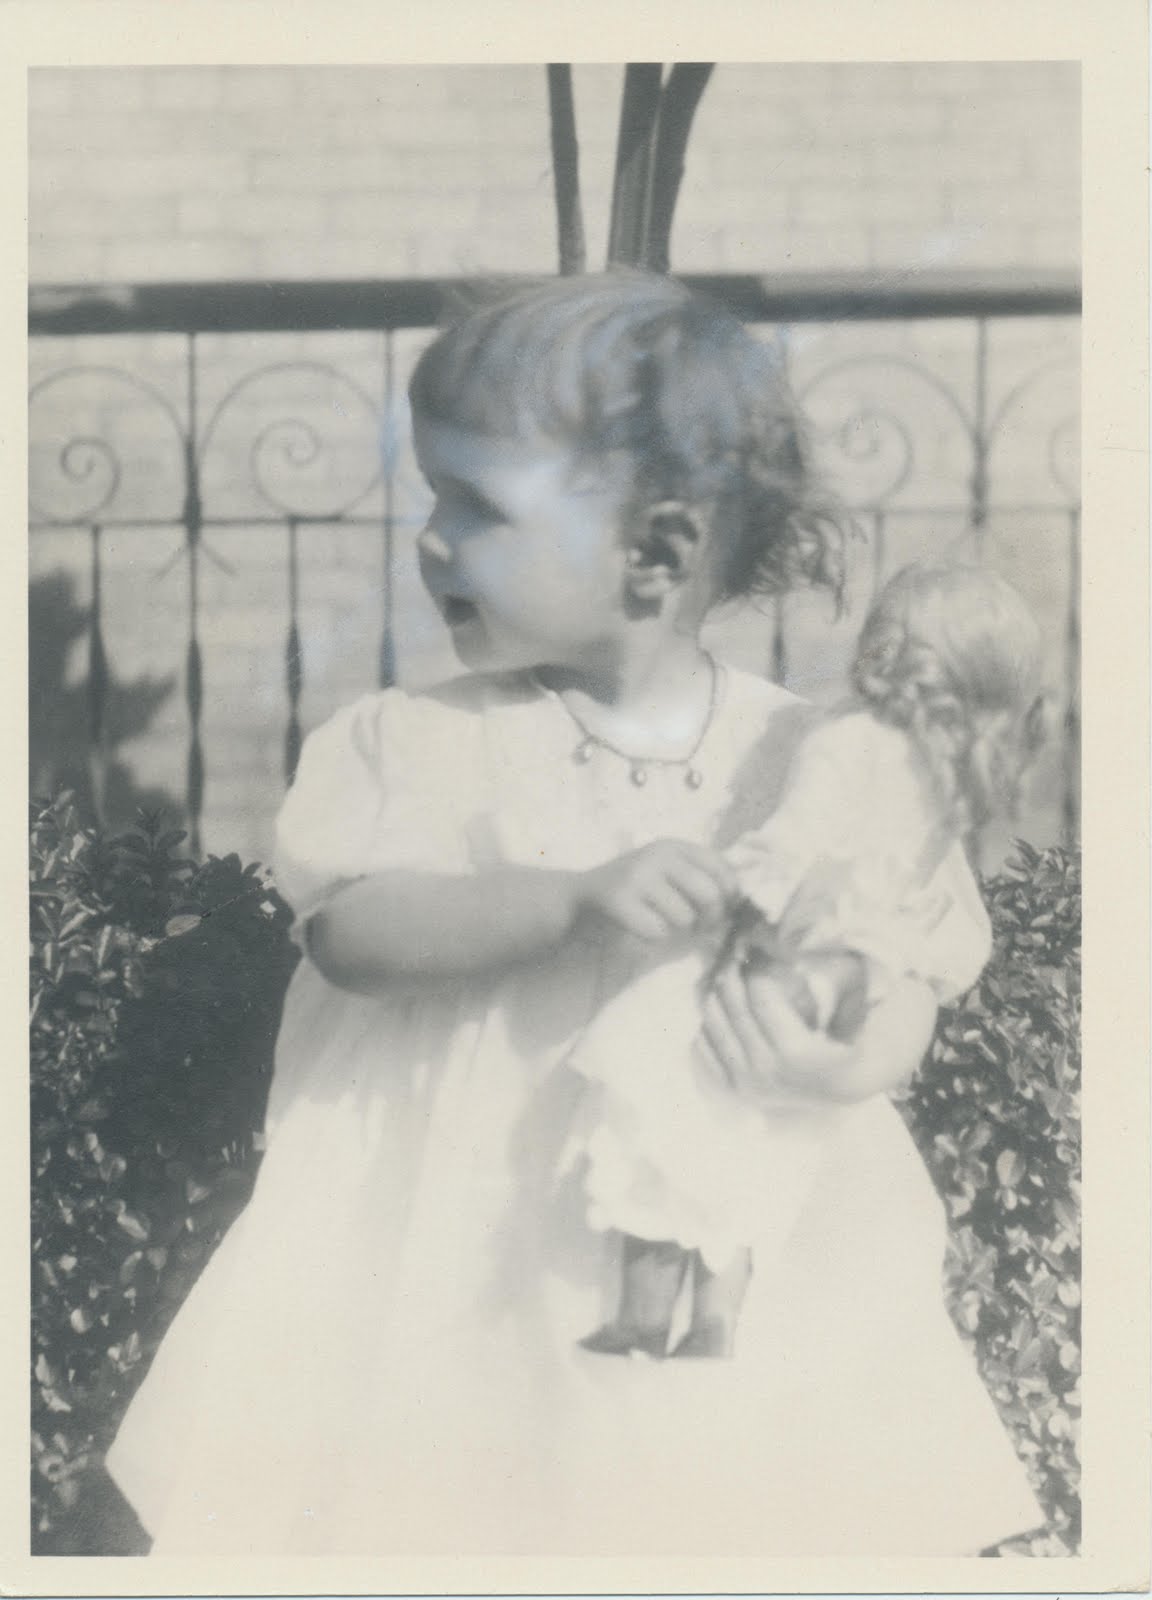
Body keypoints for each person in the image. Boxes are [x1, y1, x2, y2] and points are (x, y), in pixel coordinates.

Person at [104, 273, 1044, 1557]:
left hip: (735, 1215)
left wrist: (849, 1059)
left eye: (475, 506)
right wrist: (566, 903)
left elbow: (899, 962)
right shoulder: (421, 742)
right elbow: (351, 936)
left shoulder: (805, 754)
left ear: (656, 552)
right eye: (433, 496)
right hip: (462, 1244)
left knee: (724, 1512)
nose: (431, 541)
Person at [569, 563, 1046, 1360]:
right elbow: (935, 929)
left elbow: (793, 841)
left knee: (665, 1099)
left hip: (784, 947)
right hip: (851, 984)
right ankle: (714, 1319)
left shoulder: (845, 737)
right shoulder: (945, 774)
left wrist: (733, 889)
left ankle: (645, 1313)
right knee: (751, 1140)